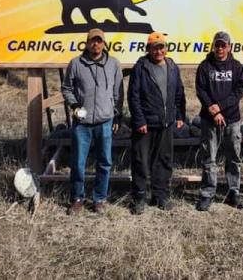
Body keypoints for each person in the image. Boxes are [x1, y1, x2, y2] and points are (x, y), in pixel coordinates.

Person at [61, 28, 123, 215]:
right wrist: (74, 105)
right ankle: (78, 198)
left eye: (99, 41)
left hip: (105, 121)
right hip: (83, 123)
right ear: (87, 43)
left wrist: (117, 114)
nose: (95, 44)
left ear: (104, 44)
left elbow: (118, 93)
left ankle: (99, 199)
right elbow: (66, 88)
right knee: (78, 163)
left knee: (104, 162)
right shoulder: (76, 64)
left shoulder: (113, 64)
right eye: (92, 41)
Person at [127, 31, 186, 214]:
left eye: (161, 47)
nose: (158, 51)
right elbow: (133, 97)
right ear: (148, 49)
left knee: (163, 161)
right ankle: (139, 198)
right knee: (141, 162)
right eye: (155, 48)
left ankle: (160, 196)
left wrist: (179, 116)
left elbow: (179, 93)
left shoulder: (172, 66)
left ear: (166, 49)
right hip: (146, 125)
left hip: (166, 124)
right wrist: (139, 120)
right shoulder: (141, 67)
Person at [194, 31, 243, 211]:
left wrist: (221, 107)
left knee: (234, 156)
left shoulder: (236, 66)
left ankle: (233, 192)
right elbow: (201, 90)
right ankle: (207, 194)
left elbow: (240, 90)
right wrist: (212, 110)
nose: (220, 48)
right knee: (209, 157)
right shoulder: (204, 66)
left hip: (232, 120)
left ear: (229, 47)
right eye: (217, 45)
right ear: (213, 46)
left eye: (223, 45)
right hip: (210, 120)